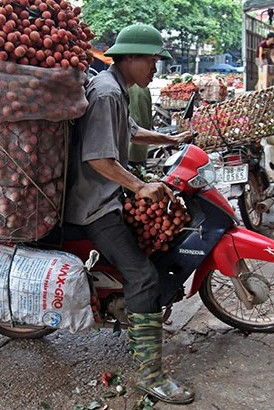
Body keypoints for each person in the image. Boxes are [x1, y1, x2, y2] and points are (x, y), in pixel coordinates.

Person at [64, 23, 194, 405]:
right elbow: (98, 158)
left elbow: (131, 131)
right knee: (143, 275)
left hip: (105, 195)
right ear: (131, 57)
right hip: (93, 205)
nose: (156, 67)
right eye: (152, 59)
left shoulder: (115, 90)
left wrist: (171, 139)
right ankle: (149, 374)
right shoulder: (106, 93)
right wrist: (139, 186)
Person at [128, 84, 153, 167]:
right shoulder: (144, 88)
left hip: (128, 144)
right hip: (142, 140)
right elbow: (149, 115)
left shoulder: (124, 87)